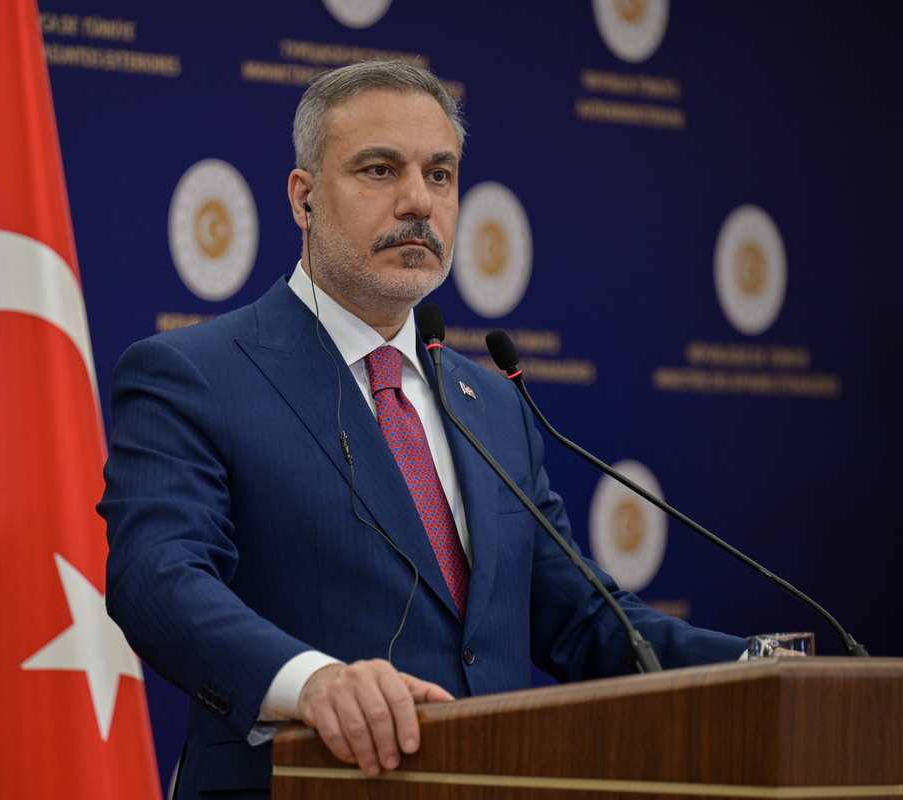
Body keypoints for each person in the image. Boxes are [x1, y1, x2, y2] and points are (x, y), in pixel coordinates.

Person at [99, 60, 744, 800]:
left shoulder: (491, 404)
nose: (418, 202)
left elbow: (585, 623)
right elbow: (158, 579)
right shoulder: (195, 374)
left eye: (440, 175)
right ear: (303, 199)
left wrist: (759, 669)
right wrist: (314, 684)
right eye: (380, 170)